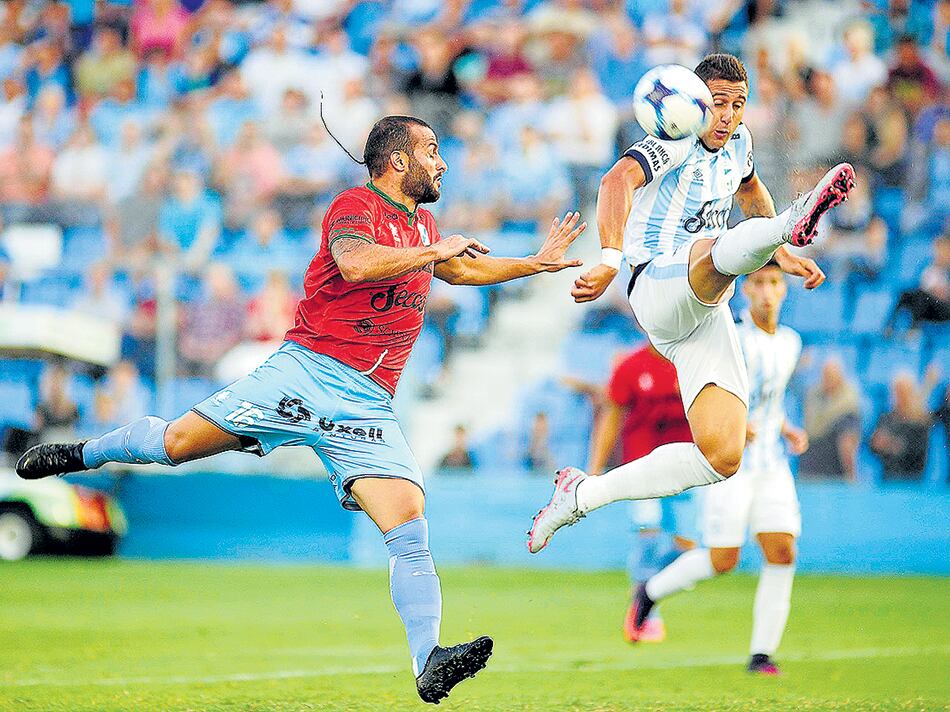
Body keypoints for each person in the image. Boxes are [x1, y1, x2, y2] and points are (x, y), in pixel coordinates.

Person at [17, 114, 586, 705]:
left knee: (409, 523)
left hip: (367, 403)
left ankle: (429, 661)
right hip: (305, 372)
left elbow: (460, 268)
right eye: (432, 150)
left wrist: (534, 263)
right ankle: (82, 453)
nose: (442, 163)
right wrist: (432, 250)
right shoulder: (354, 206)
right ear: (399, 160)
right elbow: (356, 264)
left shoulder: (422, 223)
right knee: (175, 445)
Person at [527, 53, 854, 554]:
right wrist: (610, 260)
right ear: (697, 102)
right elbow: (615, 181)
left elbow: (750, 190)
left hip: (704, 311)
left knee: (723, 456)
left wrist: (780, 254)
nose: (728, 116)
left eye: (738, 105)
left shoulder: (739, 144)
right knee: (713, 251)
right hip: (654, 282)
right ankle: (794, 219)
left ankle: (582, 495)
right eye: (719, 103)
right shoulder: (672, 140)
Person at [623, 262, 807, 676]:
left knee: (782, 550)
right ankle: (649, 592)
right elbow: (703, 385)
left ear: (784, 290)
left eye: (774, 283)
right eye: (758, 283)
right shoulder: (733, 339)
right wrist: (733, 425)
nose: (766, 291)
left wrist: (786, 428)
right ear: (746, 290)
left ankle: (761, 654)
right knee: (723, 559)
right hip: (732, 464)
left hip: (772, 464)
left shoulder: (790, 343)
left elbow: (770, 400)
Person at [586, 343, 695, 644]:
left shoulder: (691, 361)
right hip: (641, 468)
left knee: (688, 547)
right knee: (648, 534)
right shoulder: (631, 366)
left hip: (687, 469)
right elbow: (612, 418)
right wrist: (594, 468)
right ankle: (647, 614)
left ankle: (644, 592)